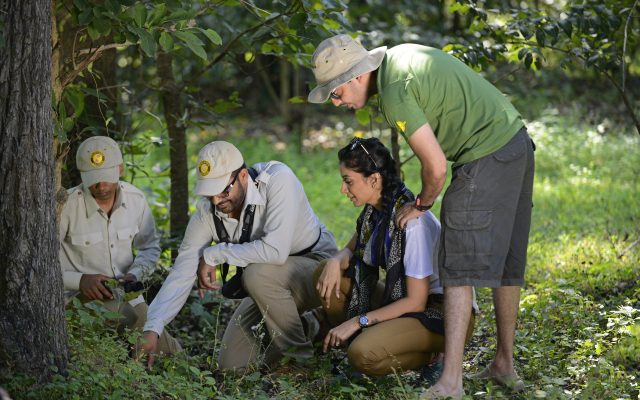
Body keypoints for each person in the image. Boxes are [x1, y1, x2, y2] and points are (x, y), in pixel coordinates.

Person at [308, 35, 535, 399]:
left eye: (335, 93)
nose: (338, 103)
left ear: (353, 76)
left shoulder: (395, 91)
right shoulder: (401, 61)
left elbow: (436, 166)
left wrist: (422, 206)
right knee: (508, 261)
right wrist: (343, 253)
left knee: (458, 266)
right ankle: (503, 365)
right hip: (515, 141)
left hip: (485, 154)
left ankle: (450, 383)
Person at [138, 141, 339, 372]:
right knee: (232, 365)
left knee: (256, 274)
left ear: (243, 175)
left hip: (318, 270)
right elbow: (181, 272)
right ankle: (314, 323)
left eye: (223, 190)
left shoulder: (278, 180)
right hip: (270, 285)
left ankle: (302, 363)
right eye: (209, 193)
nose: (216, 201)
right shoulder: (207, 213)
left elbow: (275, 251)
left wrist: (214, 253)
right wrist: (151, 329)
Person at [314, 137, 477, 376]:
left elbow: (416, 302)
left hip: (442, 313)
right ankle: (385, 341)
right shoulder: (375, 211)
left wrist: (357, 321)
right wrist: (335, 260)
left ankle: (433, 357)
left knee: (361, 355)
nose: (343, 189)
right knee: (327, 272)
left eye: (348, 181)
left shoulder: (411, 222)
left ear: (374, 179)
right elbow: (350, 250)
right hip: (406, 301)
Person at [60, 136, 181, 357]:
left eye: (107, 177)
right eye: (93, 178)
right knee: (122, 315)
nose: (101, 186)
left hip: (127, 295)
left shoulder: (136, 199)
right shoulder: (66, 207)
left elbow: (150, 248)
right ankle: (97, 362)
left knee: (170, 353)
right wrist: (80, 280)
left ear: (121, 169)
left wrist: (134, 275)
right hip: (77, 302)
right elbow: (39, 265)